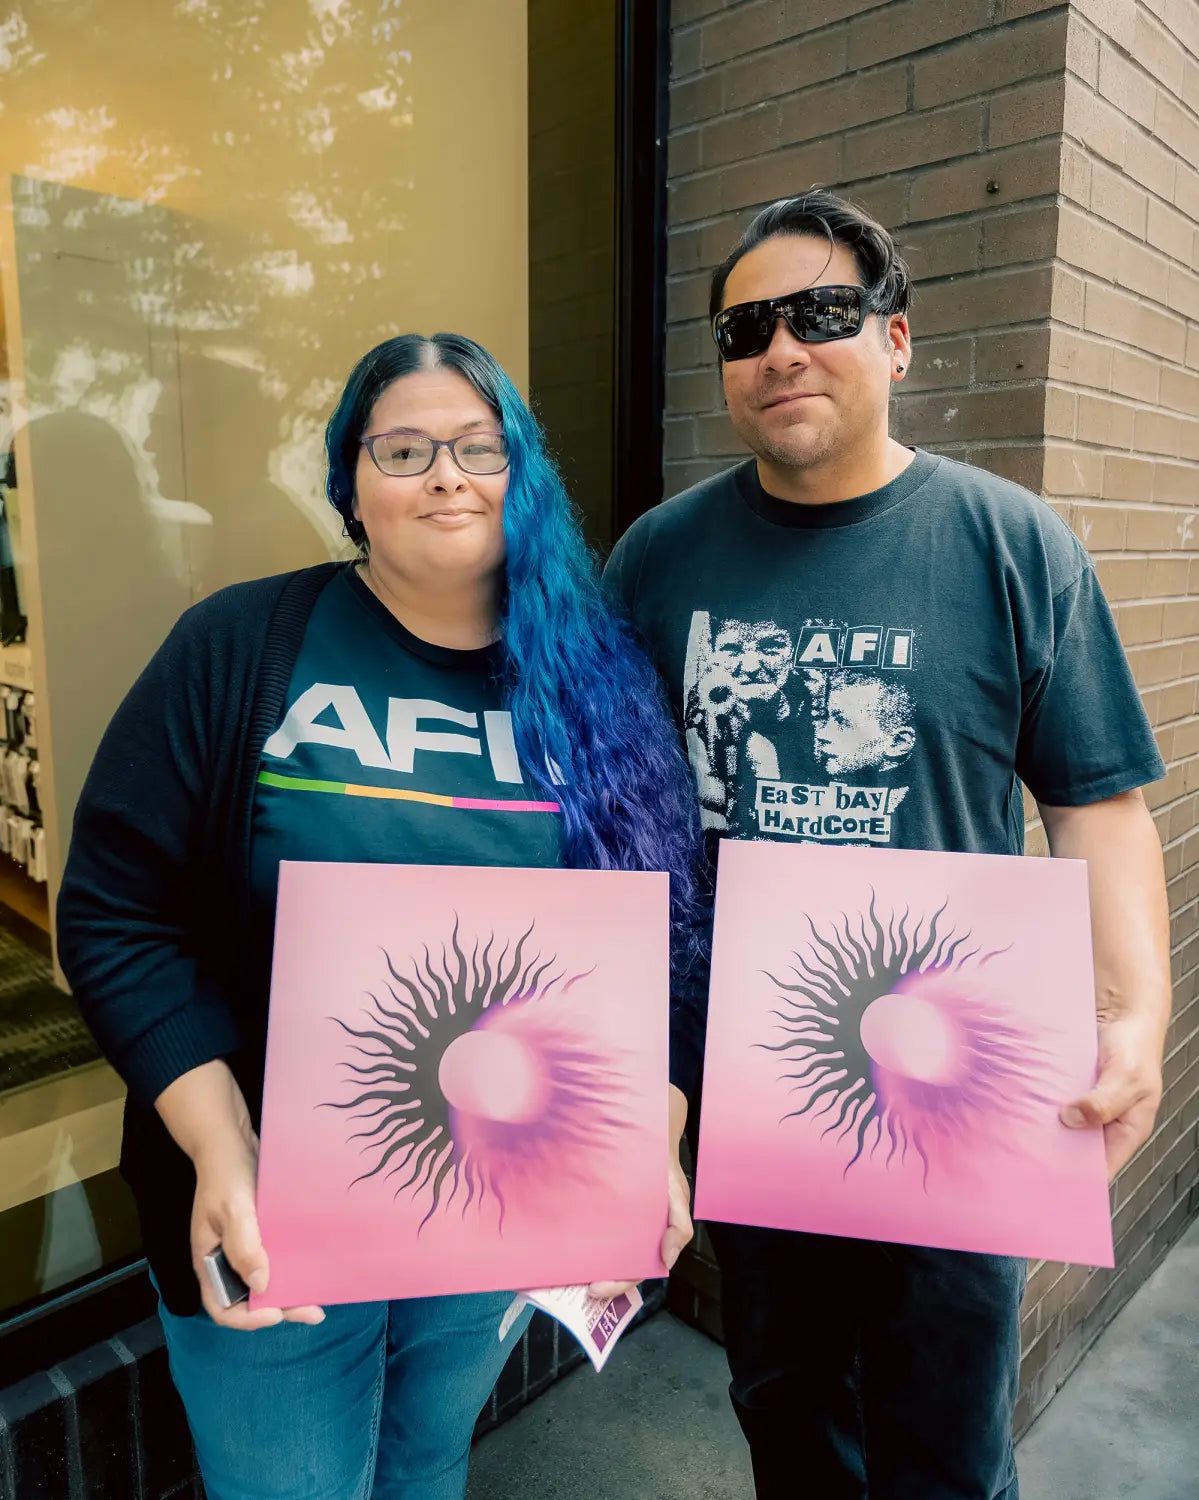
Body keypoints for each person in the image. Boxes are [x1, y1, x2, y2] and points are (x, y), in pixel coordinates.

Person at [57, 332, 702, 1500]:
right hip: (270, 1204)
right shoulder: (239, 647)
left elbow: (660, 944)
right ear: (348, 484)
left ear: (523, 473)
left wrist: (650, 1132)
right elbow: (114, 911)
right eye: (402, 448)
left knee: (423, 1466)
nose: (444, 475)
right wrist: (221, 1147)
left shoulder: (600, 681)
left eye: (476, 446)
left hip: (497, 1198)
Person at [604, 190, 1172, 1500]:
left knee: (944, 1437)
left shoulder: (1006, 544)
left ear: (896, 342)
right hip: (756, 1076)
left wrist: (1133, 1012)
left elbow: (1092, 802)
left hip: (960, 1080)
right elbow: (619, 824)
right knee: (787, 1412)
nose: (780, 351)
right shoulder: (657, 559)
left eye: (820, 314)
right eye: (745, 330)